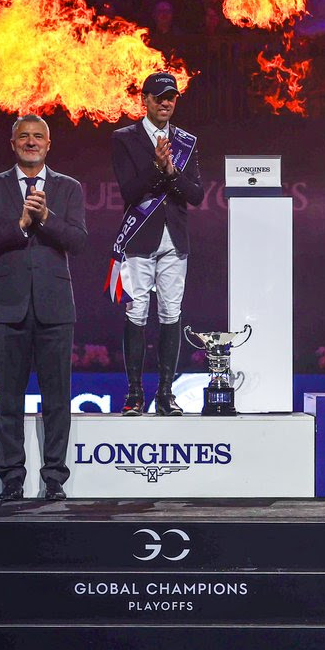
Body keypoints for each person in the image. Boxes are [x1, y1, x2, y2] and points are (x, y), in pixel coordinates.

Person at [0, 115, 88, 500]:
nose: (32, 142)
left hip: (55, 308)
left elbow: (77, 240)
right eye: (24, 136)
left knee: (57, 399)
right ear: (13, 143)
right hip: (7, 308)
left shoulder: (69, 188)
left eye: (39, 136)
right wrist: (20, 224)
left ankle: (54, 478)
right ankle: (12, 481)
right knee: (9, 399)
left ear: (49, 144)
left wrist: (45, 218)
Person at [109, 73, 204, 416]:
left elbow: (195, 195)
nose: (166, 103)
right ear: (144, 99)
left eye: (172, 98)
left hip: (174, 241)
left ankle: (165, 394)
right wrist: (157, 166)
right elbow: (130, 192)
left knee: (170, 313)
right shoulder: (124, 138)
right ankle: (134, 394)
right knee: (136, 312)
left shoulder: (186, 141)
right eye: (159, 97)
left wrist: (173, 172)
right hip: (139, 240)